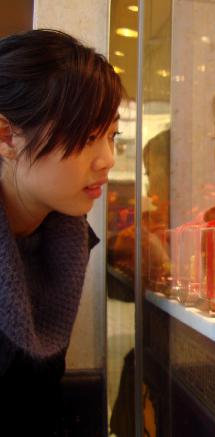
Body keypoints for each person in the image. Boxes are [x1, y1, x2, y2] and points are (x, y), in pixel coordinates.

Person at [0, 29, 122, 434]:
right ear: (7, 136)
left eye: (111, 135)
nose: (108, 159)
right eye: (88, 136)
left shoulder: (66, 237)